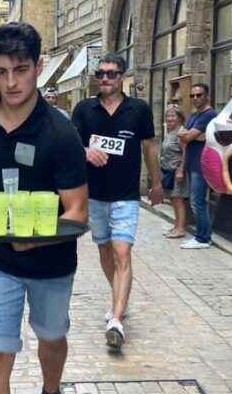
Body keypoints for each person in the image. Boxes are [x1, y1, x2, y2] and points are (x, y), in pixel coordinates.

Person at [0, 22, 88, 394]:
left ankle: (51, 389)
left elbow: (77, 211)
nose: (10, 83)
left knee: (52, 337)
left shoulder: (61, 133)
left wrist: (35, 241)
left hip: (52, 263)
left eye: (21, 70)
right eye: (1, 72)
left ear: (39, 67)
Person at [71, 53, 163, 350]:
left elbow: (149, 147)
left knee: (122, 252)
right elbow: (69, 144)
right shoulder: (85, 109)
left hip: (126, 195)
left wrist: (157, 183)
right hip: (94, 194)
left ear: (123, 76)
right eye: (101, 74)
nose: (105, 79)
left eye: (111, 73)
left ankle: (117, 320)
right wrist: (85, 151)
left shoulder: (138, 109)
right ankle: (119, 299)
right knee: (105, 252)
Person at [178, 83, 218, 249]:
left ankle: (203, 238)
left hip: (202, 164)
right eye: (192, 95)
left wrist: (188, 136)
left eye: (199, 95)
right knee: (197, 201)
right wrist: (190, 136)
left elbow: (186, 137)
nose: (195, 98)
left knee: (197, 201)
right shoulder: (195, 115)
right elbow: (183, 139)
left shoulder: (209, 115)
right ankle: (202, 235)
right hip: (191, 163)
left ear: (206, 96)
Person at [160, 105, 188, 239]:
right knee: (173, 200)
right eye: (168, 116)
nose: (169, 118)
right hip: (168, 171)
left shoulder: (181, 133)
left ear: (180, 118)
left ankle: (181, 228)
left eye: (173, 116)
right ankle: (176, 226)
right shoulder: (170, 132)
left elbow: (185, 153)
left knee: (178, 200)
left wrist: (181, 170)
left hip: (177, 172)